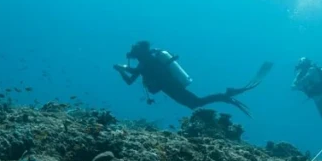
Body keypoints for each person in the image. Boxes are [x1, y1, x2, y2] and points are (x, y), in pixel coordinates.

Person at [114, 41, 271, 116]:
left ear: (141, 50)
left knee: (196, 103)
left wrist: (122, 68)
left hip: (172, 86)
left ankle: (226, 95)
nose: (132, 51)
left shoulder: (147, 60)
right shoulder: (143, 63)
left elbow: (137, 70)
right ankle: (225, 96)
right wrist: (122, 71)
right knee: (195, 104)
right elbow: (129, 81)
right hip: (170, 87)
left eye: (134, 49)